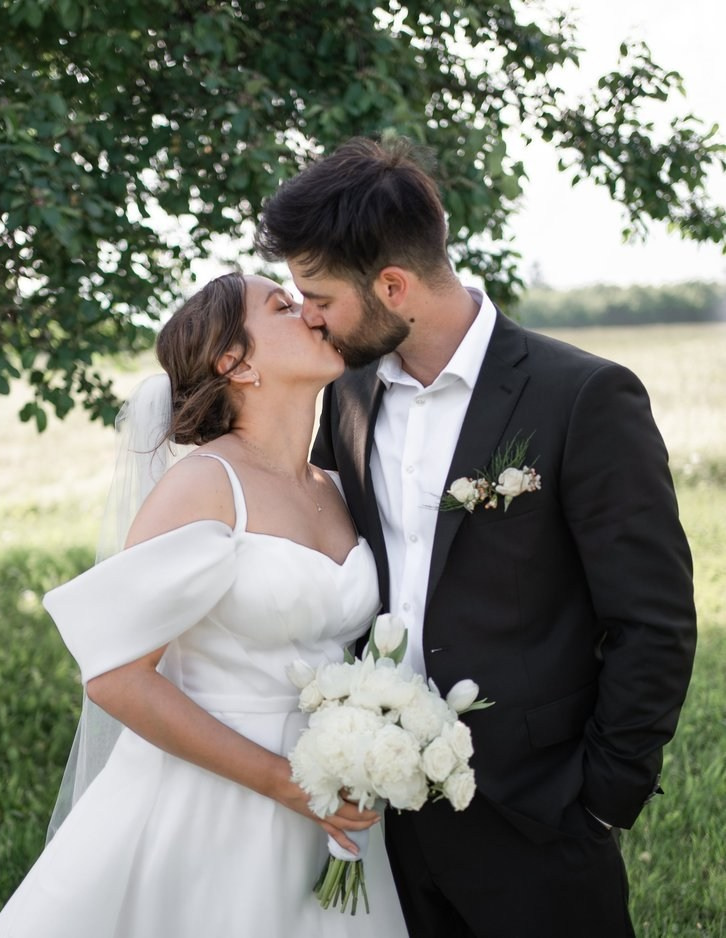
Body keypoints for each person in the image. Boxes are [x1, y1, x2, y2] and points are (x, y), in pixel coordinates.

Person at [254, 136, 698, 938]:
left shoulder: (583, 396)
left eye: (317, 294)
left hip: (540, 813)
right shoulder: (348, 396)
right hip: (389, 815)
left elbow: (653, 620)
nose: (307, 315)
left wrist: (601, 799)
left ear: (392, 285)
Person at [0, 273, 408, 938]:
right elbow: (116, 679)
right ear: (235, 363)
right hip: (215, 802)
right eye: (283, 306)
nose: (314, 315)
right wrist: (281, 782)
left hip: (333, 795)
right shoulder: (205, 485)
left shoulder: (333, 484)